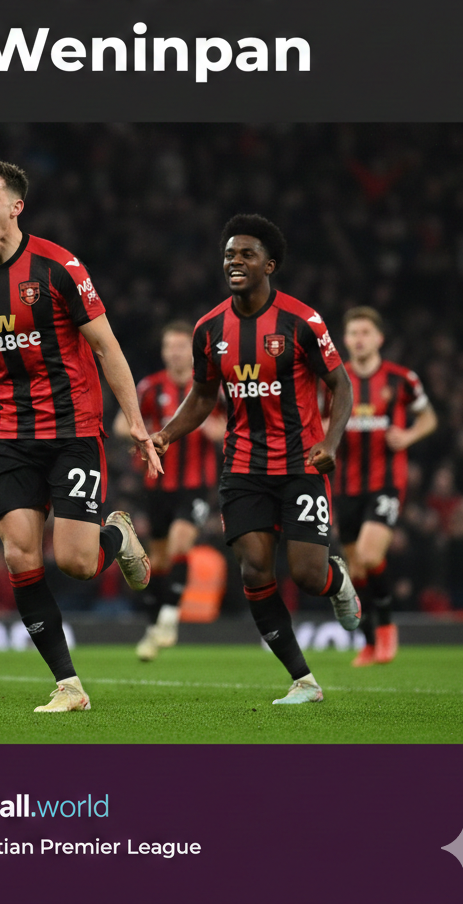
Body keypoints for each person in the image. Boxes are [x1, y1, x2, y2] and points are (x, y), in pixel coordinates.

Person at [0, 158, 163, 712]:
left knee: (76, 563)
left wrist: (134, 421)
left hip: (73, 429)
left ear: (16, 207)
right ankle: (69, 685)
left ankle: (118, 537)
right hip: (9, 434)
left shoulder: (59, 267)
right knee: (19, 556)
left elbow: (107, 346)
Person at [152, 214, 359, 705]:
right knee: (255, 569)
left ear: (270, 263)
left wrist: (329, 443)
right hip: (243, 468)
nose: (235, 262)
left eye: (245, 254)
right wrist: (166, 435)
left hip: (301, 465)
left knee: (308, 575)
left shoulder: (301, 322)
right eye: (229, 254)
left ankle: (338, 581)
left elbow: (341, 386)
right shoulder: (209, 329)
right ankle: (302, 681)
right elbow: (203, 398)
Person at [114, 321, 225, 660]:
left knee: (181, 543)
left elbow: (227, 429)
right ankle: (153, 626)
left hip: (196, 484)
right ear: (163, 352)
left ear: (192, 352)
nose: (175, 353)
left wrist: (205, 424)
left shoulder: (210, 389)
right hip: (156, 483)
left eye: (181, 347)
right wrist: (143, 434)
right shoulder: (151, 387)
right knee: (158, 559)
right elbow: (121, 424)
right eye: (170, 347)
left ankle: (169, 618)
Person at [334, 307, 437, 666]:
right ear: (345, 340)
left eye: (365, 332)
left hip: (386, 484)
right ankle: (367, 642)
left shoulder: (400, 379)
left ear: (379, 338)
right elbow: (315, 419)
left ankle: (387, 628)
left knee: (369, 555)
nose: (359, 339)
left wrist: (408, 435)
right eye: (352, 333)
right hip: (344, 487)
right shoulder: (334, 379)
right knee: (356, 568)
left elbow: (429, 417)